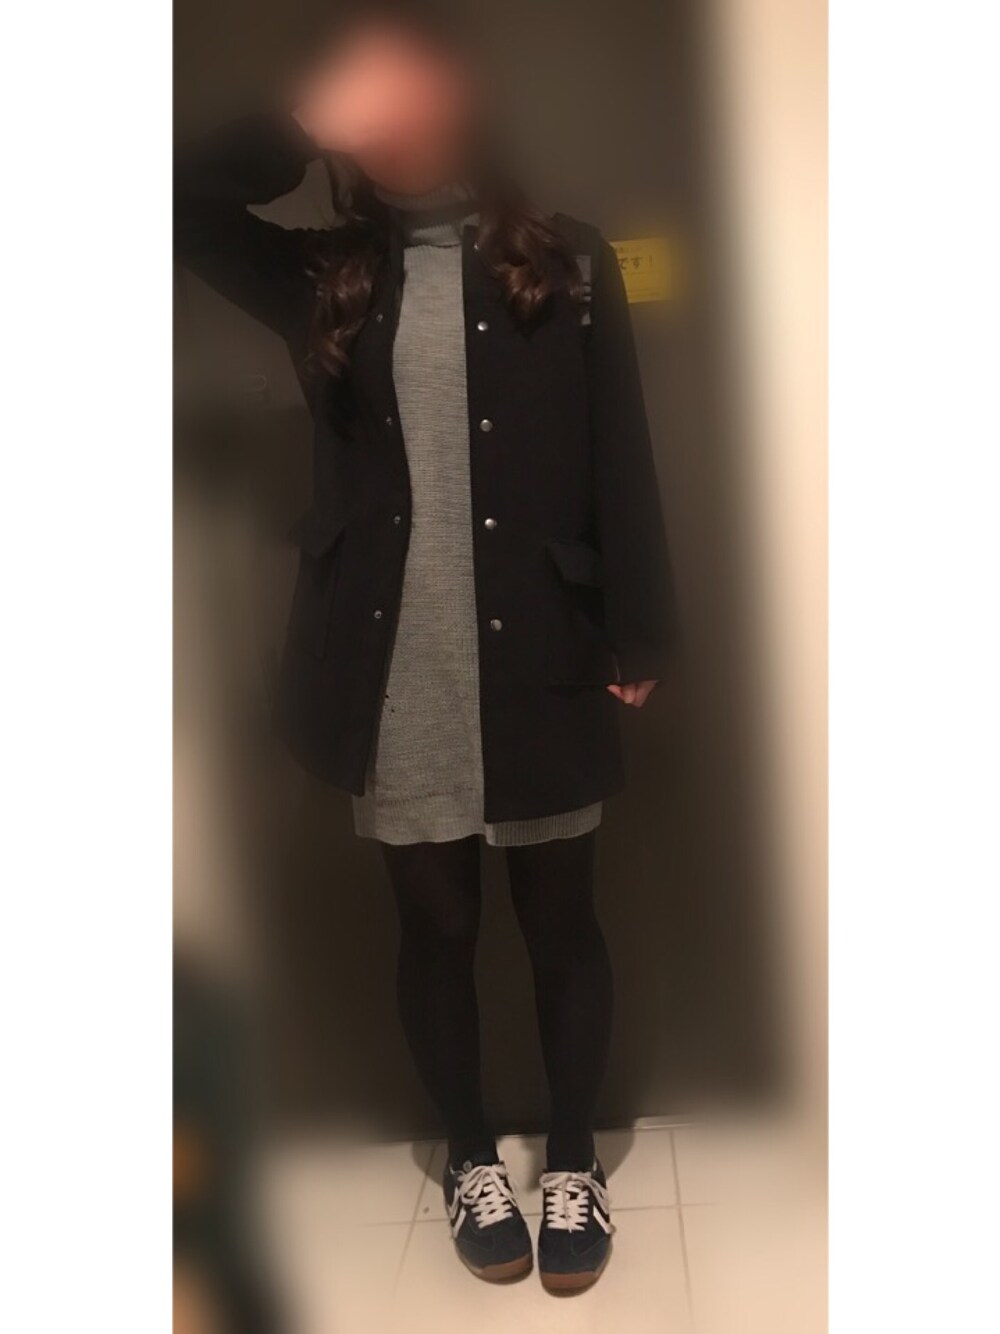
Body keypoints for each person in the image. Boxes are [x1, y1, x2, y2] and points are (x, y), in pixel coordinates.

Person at [175, 0, 672, 1293]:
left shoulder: (567, 261)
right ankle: (469, 1156)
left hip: (544, 645)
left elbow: (621, 448)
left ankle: (572, 1159)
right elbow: (174, 202)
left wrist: (639, 623)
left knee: (562, 920)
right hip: (393, 663)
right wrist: (298, 123)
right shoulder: (326, 276)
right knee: (435, 926)